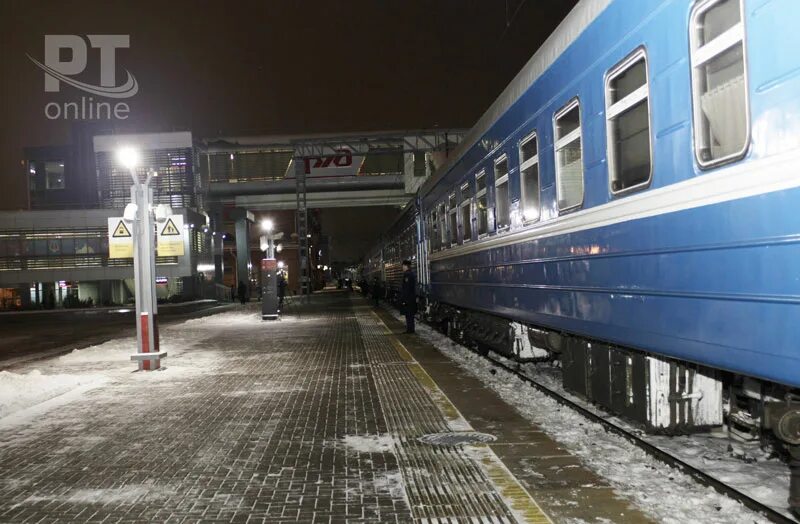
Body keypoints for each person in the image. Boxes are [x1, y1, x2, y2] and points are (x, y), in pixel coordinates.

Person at [401, 260, 416, 334]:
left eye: (403, 266)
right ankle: (411, 329)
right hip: (411, 298)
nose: (402, 267)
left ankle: (410, 329)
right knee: (410, 314)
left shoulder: (407, 275)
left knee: (408, 314)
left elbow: (406, 288)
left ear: (406, 266)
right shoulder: (411, 273)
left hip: (408, 298)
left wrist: (404, 299)